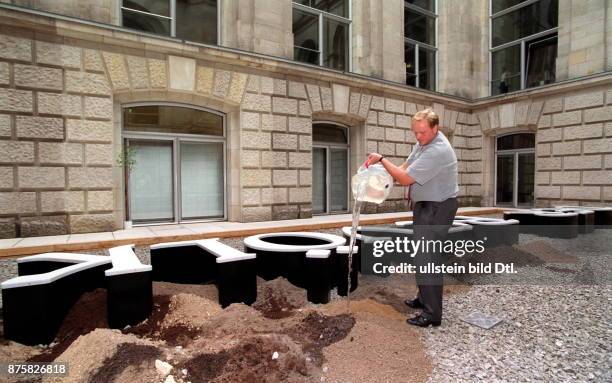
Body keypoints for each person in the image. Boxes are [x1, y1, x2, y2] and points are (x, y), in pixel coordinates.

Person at [366, 108, 459, 328]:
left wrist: (382, 160)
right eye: (415, 132)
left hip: (439, 207)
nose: (418, 136)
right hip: (427, 205)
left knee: (429, 259)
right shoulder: (424, 144)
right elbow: (404, 168)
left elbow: (406, 178)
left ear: (435, 128)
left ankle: (432, 314)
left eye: (422, 132)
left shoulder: (438, 150)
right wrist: (381, 173)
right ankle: (424, 298)